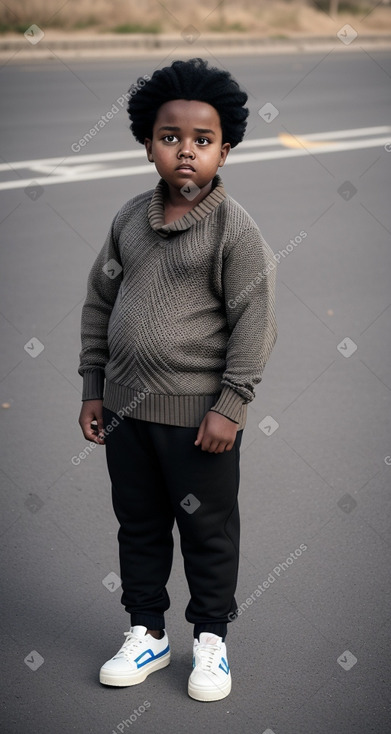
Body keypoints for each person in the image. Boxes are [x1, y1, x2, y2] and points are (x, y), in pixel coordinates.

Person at [78, 57, 277, 702]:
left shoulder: (232, 230)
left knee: (207, 531)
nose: (185, 152)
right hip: (127, 414)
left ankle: (211, 642)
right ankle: (148, 632)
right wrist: (92, 387)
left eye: (203, 140)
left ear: (226, 148)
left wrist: (232, 403)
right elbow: (99, 304)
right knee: (136, 524)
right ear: (147, 143)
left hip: (199, 421)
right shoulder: (130, 220)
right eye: (170, 138)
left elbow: (255, 322)